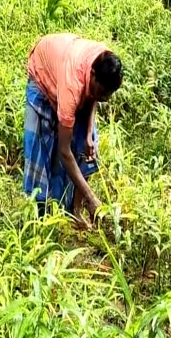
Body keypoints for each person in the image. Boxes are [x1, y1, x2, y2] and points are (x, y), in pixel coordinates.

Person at [23, 33, 123, 229]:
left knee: (89, 143)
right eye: (101, 92)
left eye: (107, 95)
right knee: (41, 149)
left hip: (67, 68)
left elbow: (94, 96)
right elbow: (64, 151)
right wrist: (91, 196)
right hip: (43, 76)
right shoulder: (73, 86)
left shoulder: (103, 59)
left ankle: (74, 212)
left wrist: (87, 135)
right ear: (92, 75)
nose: (104, 98)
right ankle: (39, 218)